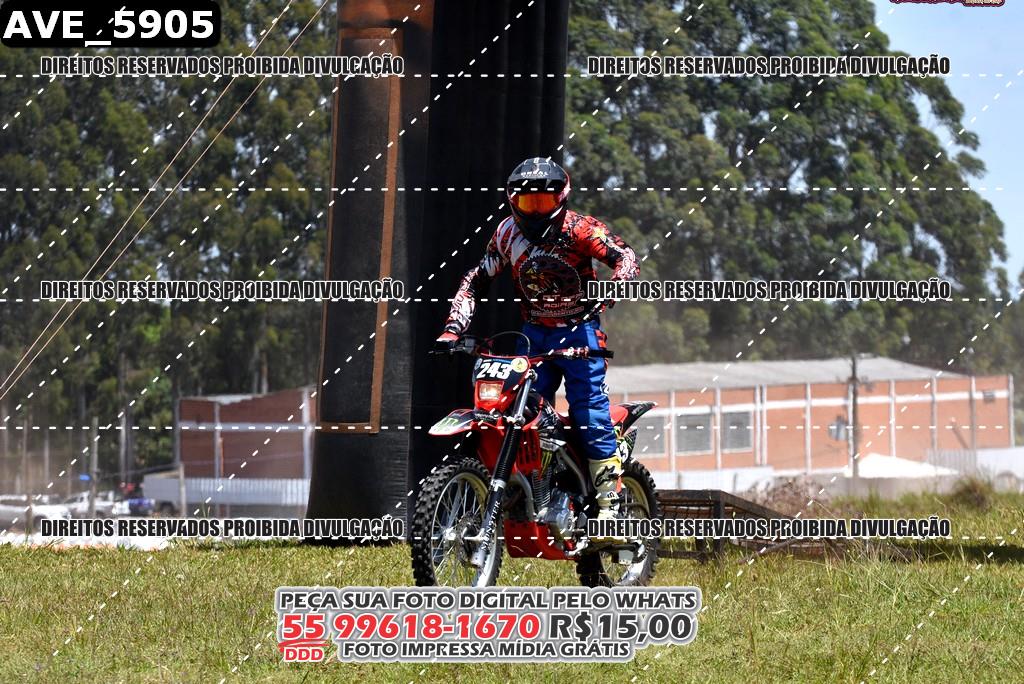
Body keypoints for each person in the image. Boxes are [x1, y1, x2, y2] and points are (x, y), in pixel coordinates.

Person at [436, 157, 639, 530]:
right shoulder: (506, 234)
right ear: (513, 201)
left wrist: (611, 290)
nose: (535, 211)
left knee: (588, 413)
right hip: (534, 335)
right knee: (519, 413)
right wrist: (453, 328)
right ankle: (536, 491)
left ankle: (609, 504)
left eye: (543, 202)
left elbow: (625, 257)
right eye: (528, 203)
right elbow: (476, 280)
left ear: (561, 198)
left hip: (580, 332)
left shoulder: (582, 230)